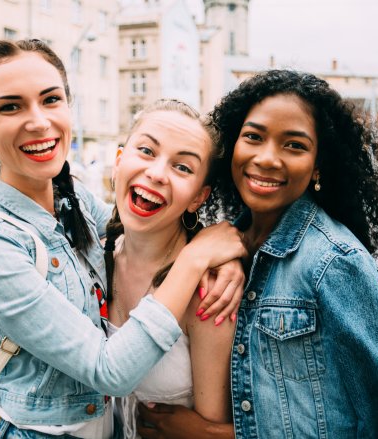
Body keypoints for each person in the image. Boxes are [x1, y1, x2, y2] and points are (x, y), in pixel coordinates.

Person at [0, 39, 246, 439]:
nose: (38, 121)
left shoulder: (73, 205)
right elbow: (109, 371)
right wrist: (196, 259)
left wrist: (225, 254)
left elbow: (142, 227)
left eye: (50, 99)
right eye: (10, 106)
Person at [138, 70, 378, 438]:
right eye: (253, 137)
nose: (268, 158)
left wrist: (212, 435)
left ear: (319, 164)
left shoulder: (334, 262)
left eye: (294, 145)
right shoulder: (225, 244)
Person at [104, 99, 239, 438]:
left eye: (183, 168)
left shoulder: (209, 290)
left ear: (198, 198)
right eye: (147, 151)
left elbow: (210, 426)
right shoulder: (94, 255)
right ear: (119, 162)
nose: (157, 173)